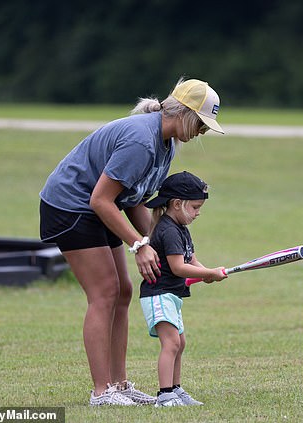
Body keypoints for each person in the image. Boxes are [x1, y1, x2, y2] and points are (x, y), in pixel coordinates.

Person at [39, 79, 224, 406]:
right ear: (183, 113)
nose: (203, 132)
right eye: (201, 123)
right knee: (105, 292)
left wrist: (159, 247)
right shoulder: (142, 141)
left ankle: (120, 385)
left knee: (123, 290)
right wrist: (139, 246)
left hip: (102, 206)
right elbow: (100, 200)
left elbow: (135, 198)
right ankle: (102, 392)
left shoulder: (166, 143)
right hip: (70, 205)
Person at [140, 171, 228, 407]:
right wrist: (208, 273)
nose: (198, 213)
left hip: (171, 295)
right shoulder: (168, 230)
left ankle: (176, 391)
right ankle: (164, 395)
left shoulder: (181, 229)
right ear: (177, 204)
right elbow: (179, 268)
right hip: (158, 294)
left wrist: (207, 273)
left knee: (180, 343)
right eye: (196, 207)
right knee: (171, 344)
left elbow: (191, 262)